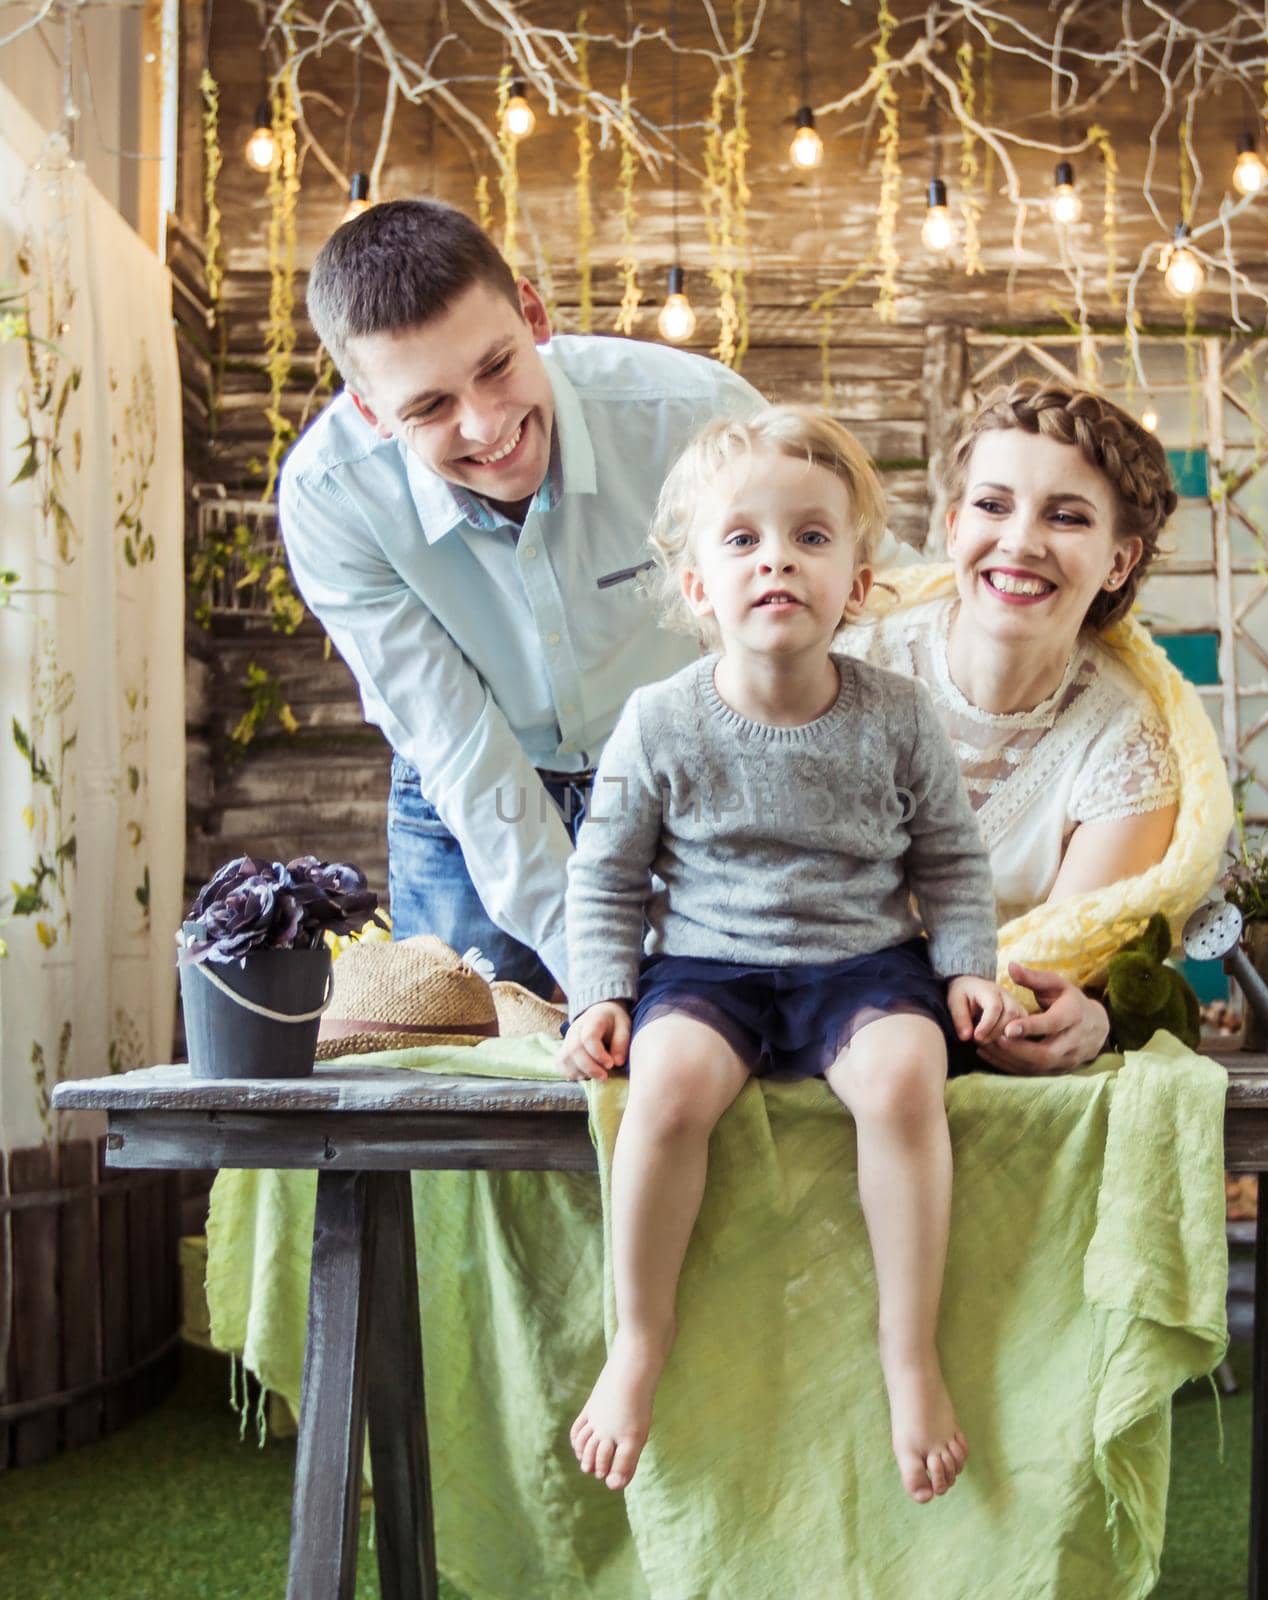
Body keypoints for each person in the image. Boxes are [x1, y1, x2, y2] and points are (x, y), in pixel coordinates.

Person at [556, 405, 1023, 1505]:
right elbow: (607, 873)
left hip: (864, 967)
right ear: (696, 588)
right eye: (743, 540)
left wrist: (964, 966)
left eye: (812, 537)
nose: (777, 558)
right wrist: (600, 996)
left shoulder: (899, 717)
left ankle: (908, 1356)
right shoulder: (658, 721)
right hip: (709, 972)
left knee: (906, 1082)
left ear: (856, 583)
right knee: (665, 1091)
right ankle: (639, 1341)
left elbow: (951, 858)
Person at [279, 199, 763, 1000]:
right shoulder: (333, 498)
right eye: (429, 408)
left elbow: (843, 607)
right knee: (471, 1081)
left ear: (532, 314)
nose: (485, 424)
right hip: (471, 797)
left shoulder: (695, 418)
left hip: (678, 778)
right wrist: (599, 972)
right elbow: (461, 749)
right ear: (371, 412)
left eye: (497, 366)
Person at [839, 380, 1182, 1071]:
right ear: (954, 528)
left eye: (1068, 517)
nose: (1020, 542)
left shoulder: (1125, 743)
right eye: (993, 505)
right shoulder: (844, 670)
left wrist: (1090, 1017)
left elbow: (1059, 965)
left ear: (1120, 561)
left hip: (980, 1069)